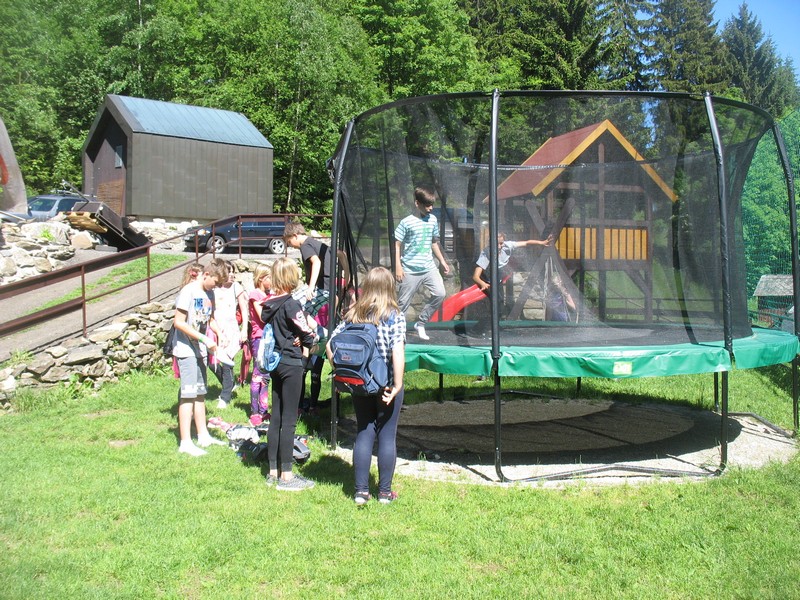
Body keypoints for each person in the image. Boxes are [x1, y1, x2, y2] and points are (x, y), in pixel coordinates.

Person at [326, 266, 406, 505]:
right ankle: (384, 493)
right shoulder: (394, 315)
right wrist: (397, 385)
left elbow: (330, 344)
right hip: (385, 383)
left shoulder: (354, 313)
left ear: (367, 286)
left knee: (364, 431)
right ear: (390, 287)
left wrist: (340, 370)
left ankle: (361, 492)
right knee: (387, 436)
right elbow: (397, 351)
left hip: (359, 382)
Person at [261, 257, 319, 491]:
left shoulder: (270, 304)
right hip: (291, 364)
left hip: (275, 363)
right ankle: (287, 476)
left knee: (275, 417)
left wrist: (294, 336)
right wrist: (309, 342)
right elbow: (307, 333)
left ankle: (272, 471)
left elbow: (282, 329)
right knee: (289, 420)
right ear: (291, 277)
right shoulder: (291, 304)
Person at [172, 261, 229, 456]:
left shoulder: (209, 293)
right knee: (188, 394)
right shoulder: (188, 291)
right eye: (216, 282)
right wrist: (204, 338)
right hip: (185, 350)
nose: (217, 286)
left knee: (200, 393)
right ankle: (185, 442)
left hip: (200, 351)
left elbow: (210, 319)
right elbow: (179, 322)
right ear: (206, 275)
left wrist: (219, 334)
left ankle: (203, 435)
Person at [283, 221, 330, 413]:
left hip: (319, 288)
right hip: (329, 288)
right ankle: (315, 334)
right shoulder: (318, 243)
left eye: (289, 242)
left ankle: (310, 335)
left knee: (293, 304)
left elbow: (316, 262)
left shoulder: (305, 245)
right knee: (305, 311)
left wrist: (310, 287)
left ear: (294, 236)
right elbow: (340, 254)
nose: (291, 246)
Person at [394, 186, 450, 340]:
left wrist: (442, 261)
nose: (430, 208)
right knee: (402, 303)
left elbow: (433, 242)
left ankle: (421, 323)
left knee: (440, 293)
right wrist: (398, 266)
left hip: (429, 267)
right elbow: (397, 244)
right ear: (417, 203)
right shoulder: (406, 222)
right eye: (427, 205)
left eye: (432, 205)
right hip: (410, 269)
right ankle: (397, 332)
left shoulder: (432, 219)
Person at [472, 231, 553, 311]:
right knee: (496, 302)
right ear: (491, 244)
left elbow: (526, 243)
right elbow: (475, 277)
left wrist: (542, 242)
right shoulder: (486, 254)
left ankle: (499, 314)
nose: (499, 247)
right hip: (486, 281)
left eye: (501, 243)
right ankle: (491, 314)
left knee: (500, 302)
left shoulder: (507, 246)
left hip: (498, 279)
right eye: (496, 244)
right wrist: (482, 284)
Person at [209, 260, 248, 409]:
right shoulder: (214, 288)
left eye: (233, 271)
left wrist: (244, 329)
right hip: (215, 328)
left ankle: (225, 397)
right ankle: (229, 384)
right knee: (211, 362)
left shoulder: (236, 287)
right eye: (228, 271)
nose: (231, 274)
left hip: (230, 329)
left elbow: (244, 310)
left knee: (227, 362)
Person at [247, 263, 273, 426]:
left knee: (266, 376)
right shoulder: (255, 294)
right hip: (259, 338)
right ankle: (255, 412)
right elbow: (262, 316)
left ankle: (264, 410)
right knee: (257, 374)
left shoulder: (269, 294)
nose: (272, 281)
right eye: (269, 278)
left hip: (269, 338)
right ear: (261, 278)